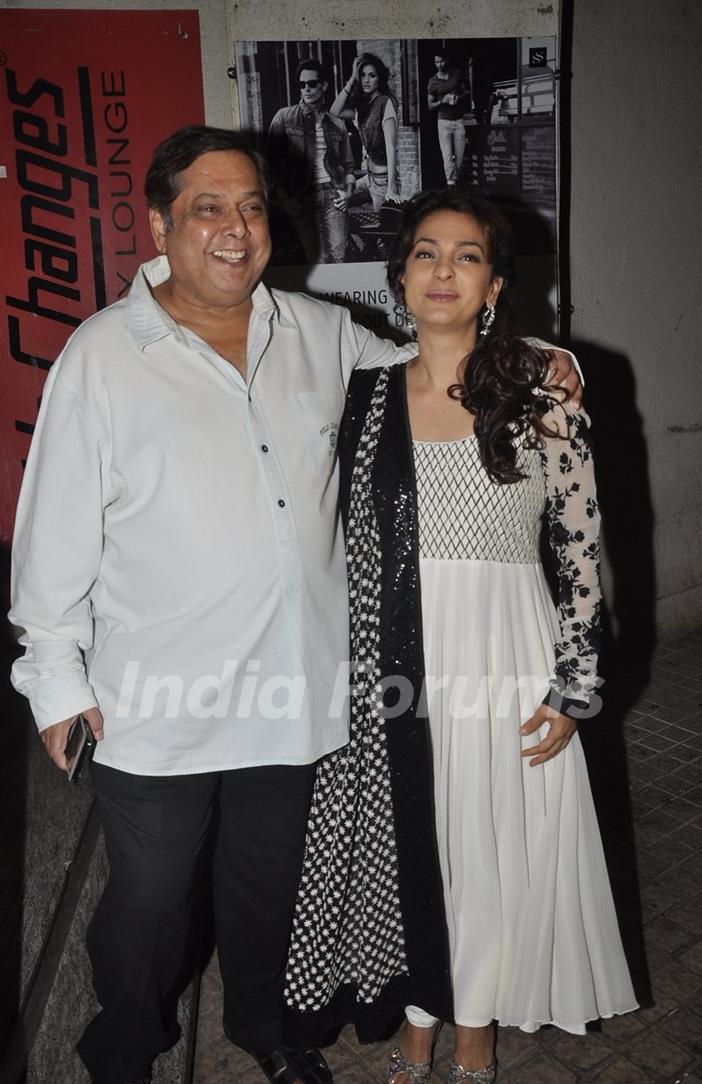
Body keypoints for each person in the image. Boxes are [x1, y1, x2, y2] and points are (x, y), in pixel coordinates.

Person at [9, 125, 577, 1084]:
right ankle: (124, 1047)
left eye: (252, 206)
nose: (235, 229)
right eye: (206, 208)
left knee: (268, 887)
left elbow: (434, 365)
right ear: (158, 224)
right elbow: (52, 530)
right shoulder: (101, 359)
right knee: (150, 900)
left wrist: (532, 352)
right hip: (159, 700)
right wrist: (54, 680)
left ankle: (263, 1031)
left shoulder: (320, 335)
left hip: (292, 688)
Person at [283, 189, 637, 1082]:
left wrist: (576, 682)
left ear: (493, 282)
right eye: (427, 253)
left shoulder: (540, 389)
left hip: (506, 649)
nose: (444, 271)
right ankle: (417, 1011)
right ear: (399, 275)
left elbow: (583, 546)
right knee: (415, 839)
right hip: (393, 650)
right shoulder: (361, 396)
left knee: (487, 843)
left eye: (467, 255)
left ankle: (471, 1026)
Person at [268, 58, 356, 263]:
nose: (306, 89)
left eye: (312, 83)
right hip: (300, 197)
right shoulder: (284, 118)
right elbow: (269, 166)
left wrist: (349, 192)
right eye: (302, 84)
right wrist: (288, 201)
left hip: (333, 194)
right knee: (317, 258)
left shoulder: (337, 124)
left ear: (324, 85)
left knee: (339, 256)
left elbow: (349, 165)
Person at [330, 52, 402, 211]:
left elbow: (391, 147)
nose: (366, 80)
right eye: (362, 75)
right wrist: (351, 79)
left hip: (383, 182)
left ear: (380, 78)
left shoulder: (385, 103)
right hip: (368, 179)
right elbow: (334, 113)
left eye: (372, 75)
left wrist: (391, 188)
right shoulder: (362, 107)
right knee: (336, 198)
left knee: (384, 233)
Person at [427, 50, 469, 186]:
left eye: (442, 61)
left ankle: (456, 182)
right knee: (447, 157)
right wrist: (442, 101)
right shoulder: (432, 82)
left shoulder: (456, 74)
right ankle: (451, 186)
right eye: (436, 62)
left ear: (447, 60)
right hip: (443, 121)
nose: (439, 64)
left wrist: (459, 98)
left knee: (460, 159)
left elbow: (466, 93)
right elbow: (430, 106)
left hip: (458, 120)